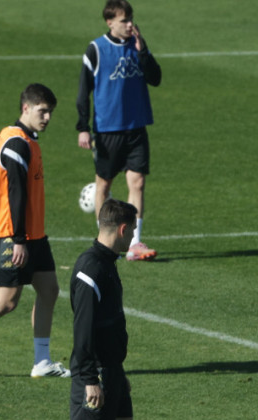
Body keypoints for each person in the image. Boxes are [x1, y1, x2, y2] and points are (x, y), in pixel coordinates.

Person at [44, 199, 155, 420]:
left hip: (112, 371)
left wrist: (118, 374)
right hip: (95, 374)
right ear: (122, 229)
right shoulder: (90, 268)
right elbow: (83, 331)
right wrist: (91, 379)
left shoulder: (106, 262)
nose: (132, 237)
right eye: (131, 231)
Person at [0, 83, 70, 380]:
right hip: (11, 234)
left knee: (48, 289)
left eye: (50, 112)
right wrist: (19, 239)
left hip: (33, 234)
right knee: (6, 301)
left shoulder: (28, 140)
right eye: (42, 111)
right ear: (26, 108)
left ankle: (42, 361)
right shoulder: (16, 143)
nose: (47, 117)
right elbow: (16, 192)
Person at [77, 0, 162, 261]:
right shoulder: (96, 49)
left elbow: (156, 79)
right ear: (110, 22)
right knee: (104, 184)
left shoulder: (138, 46)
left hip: (136, 127)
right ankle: (105, 242)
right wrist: (83, 127)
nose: (130, 25)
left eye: (131, 19)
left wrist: (143, 51)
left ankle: (134, 244)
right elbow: (83, 92)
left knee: (138, 182)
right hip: (108, 130)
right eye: (124, 20)